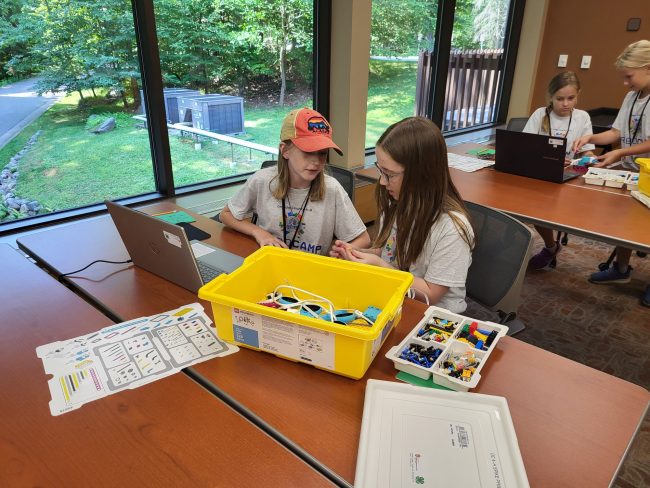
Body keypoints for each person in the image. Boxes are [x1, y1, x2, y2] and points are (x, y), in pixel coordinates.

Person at [330, 117, 474, 313]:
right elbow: (389, 253)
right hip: (395, 303)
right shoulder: (397, 203)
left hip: (433, 318)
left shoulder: (452, 228)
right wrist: (357, 254)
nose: (382, 182)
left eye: (389, 174)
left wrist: (380, 267)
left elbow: (430, 295)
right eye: (381, 171)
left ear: (422, 174)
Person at [220, 107, 370, 256]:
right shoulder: (262, 180)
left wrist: (344, 252)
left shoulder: (332, 189)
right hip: (271, 261)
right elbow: (226, 214)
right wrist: (258, 232)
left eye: (322, 153)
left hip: (310, 270)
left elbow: (363, 239)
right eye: (308, 152)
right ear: (285, 151)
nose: (317, 161)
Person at [572, 40, 650, 307]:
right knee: (625, 223)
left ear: (648, 68)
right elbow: (616, 133)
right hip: (631, 171)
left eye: (629, 76)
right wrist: (592, 136)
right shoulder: (631, 97)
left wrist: (618, 153)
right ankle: (620, 269)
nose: (626, 83)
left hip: (648, 174)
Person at [523, 71, 596, 270]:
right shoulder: (540, 114)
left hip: (568, 178)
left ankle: (549, 248)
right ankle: (551, 246)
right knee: (534, 208)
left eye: (571, 98)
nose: (565, 104)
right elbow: (525, 145)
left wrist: (587, 159)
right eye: (560, 99)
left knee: (554, 208)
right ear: (551, 97)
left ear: (578, 95)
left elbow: (589, 151)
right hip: (540, 176)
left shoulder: (582, 117)